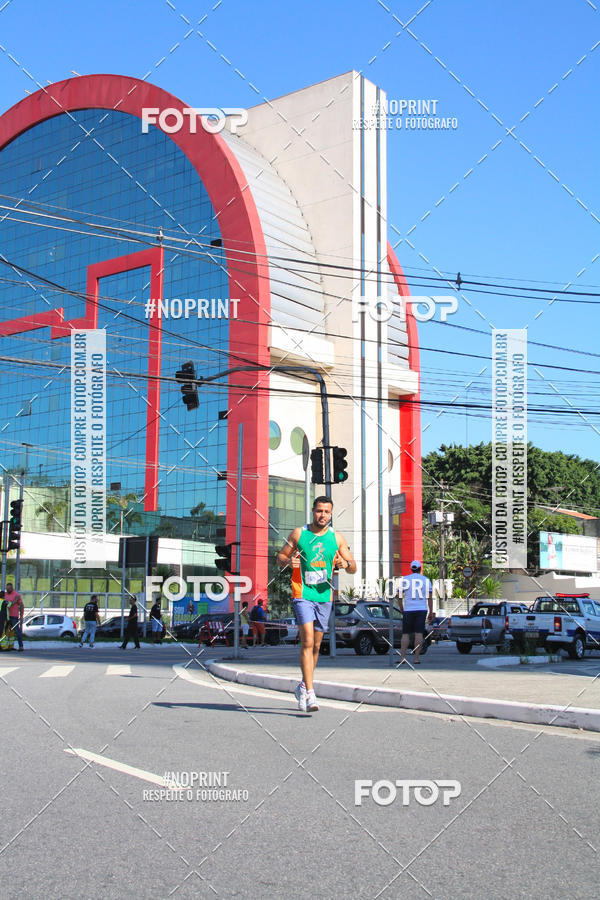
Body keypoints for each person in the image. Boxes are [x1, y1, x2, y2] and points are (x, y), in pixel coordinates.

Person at [277, 496, 356, 712]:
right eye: (319, 511)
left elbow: (353, 567)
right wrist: (288, 561)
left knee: (317, 646)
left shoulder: (336, 538)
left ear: (331, 514)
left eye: (327, 512)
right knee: (308, 641)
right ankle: (311, 693)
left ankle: (303, 685)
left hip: (324, 596)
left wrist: (345, 563)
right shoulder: (299, 534)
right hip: (302, 593)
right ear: (313, 511)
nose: (323, 515)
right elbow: (280, 556)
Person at [398, 560, 433, 665]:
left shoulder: (405, 580)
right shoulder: (426, 580)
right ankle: (416, 658)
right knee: (419, 634)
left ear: (411, 569)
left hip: (408, 609)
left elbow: (399, 596)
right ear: (420, 569)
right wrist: (431, 611)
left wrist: (401, 608)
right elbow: (429, 598)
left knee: (405, 634)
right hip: (421, 609)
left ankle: (402, 657)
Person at [6, 582, 24, 651]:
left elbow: (21, 606)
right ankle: (8, 646)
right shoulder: (5, 594)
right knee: (6, 632)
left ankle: (21, 646)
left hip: (14, 616)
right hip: (6, 616)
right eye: (6, 589)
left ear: (12, 588)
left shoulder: (16, 595)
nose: (7, 590)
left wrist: (21, 616)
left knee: (17, 631)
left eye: (9, 589)